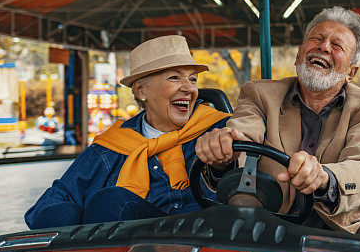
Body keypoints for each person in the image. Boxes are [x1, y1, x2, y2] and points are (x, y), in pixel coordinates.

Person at [195, 7, 360, 249]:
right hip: (269, 217)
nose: (324, 47)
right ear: (299, 55)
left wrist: (324, 177)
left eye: (337, 45)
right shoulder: (260, 93)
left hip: (338, 222)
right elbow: (243, 135)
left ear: (351, 71)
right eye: (316, 39)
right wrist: (225, 150)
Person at [24, 35, 229, 229]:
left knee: (110, 202)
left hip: (199, 244)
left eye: (193, 79)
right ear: (141, 91)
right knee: (72, 211)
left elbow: (239, 194)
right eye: (175, 78)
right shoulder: (112, 146)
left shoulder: (219, 130)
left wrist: (221, 166)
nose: (189, 88)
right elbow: (43, 210)